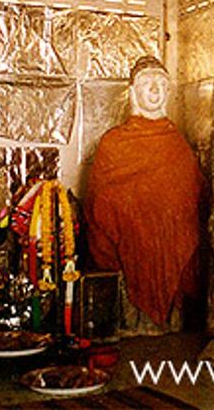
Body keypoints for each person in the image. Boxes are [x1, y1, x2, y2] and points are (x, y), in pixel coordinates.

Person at [85, 56, 203, 332]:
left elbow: (192, 198)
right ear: (133, 92)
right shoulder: (113, 144)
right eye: (147, 83)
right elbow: (100, 203)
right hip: (130, 250)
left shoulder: (177, 143)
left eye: (161, 83)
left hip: (171, 244)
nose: (154, 89)